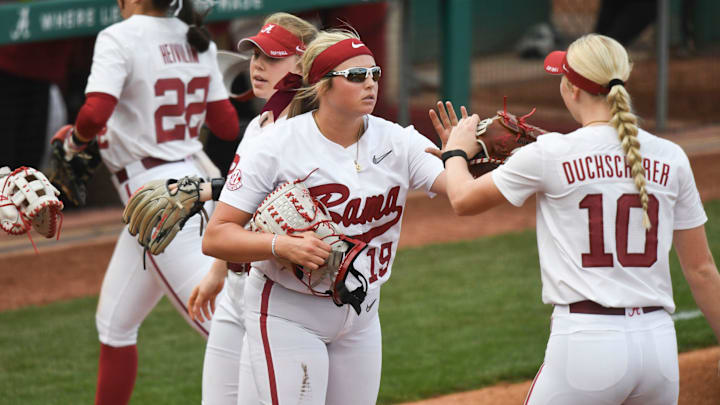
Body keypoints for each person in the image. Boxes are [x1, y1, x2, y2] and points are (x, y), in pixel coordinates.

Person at [441, 33, 720, 404]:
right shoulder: (672, 156)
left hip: (587, 344)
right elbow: (702, 271)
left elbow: (461, 199)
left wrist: (455, 150)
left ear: (570, 88)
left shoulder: (550, 154)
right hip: (659, 348)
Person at [201, 29, 449, 404]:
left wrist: (471, 154)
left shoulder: (396, 140)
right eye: (355, 76)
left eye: (374, 74)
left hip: (362, 313)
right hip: (288, 311)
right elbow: (216, 237)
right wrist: (278, 244)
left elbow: (463, 192)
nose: (370, 83)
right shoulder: (275, 144)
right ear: (321, 86)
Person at [50, 1, 240, 404]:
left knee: (232, 335)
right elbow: (225, 124)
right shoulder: (197, 39)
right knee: (114, 324)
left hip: (158, 196)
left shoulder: (118, 36)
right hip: (189, 179)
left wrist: (75, 141)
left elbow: (95, 112)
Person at [186, 12, 318, 405]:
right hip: (237, 289)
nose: (258, 66)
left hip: (281, 297)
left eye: (272, 58)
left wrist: (208, 189)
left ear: (305, 65)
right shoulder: (258, 125)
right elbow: (239, 209)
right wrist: (217, 272)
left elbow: (278, 203)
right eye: (256, 55)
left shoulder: (313, 131)